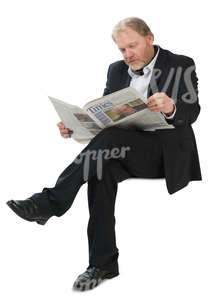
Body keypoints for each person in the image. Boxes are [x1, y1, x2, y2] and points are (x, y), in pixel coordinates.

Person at [7, 17, 202, 291]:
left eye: (132, 46)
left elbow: (192, 112)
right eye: (122, 49)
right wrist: (76, 128)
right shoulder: (116, 70)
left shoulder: (180, 64)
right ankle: (103, 263)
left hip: (164, 152)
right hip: (122, 148)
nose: (127, 55)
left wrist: (171, 108)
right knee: (100, 170)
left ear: (150, 38)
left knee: (108, 144)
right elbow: (105, 119)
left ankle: (50, 202)